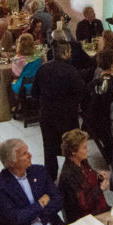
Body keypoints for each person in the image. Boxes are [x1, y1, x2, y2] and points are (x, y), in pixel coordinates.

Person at [0, 139, 63, 225]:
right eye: (24, 154)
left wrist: (36, 214)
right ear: (11, 163)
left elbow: (58, 199)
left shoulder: (39, 171)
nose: (30, 155)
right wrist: (40, 204)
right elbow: (16, 219)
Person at [32, 41, 85, 178]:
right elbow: (81, 93)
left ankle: (50, 176)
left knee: (49, 147)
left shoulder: (42, 69)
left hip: (47, 115)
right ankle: (73, 175)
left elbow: (34, 93)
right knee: (72, 147)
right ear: (66, 53)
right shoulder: (71, 71)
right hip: (67, 116)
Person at [57, 129, 109, 223]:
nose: (87, 150)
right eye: (84, 147)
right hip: (86, 219)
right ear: (74, 151)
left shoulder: (82, 162)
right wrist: (100, 189)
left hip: (99, 208)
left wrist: (98, 176)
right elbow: (84, 204)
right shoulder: (68, 176)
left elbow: (89, 178)